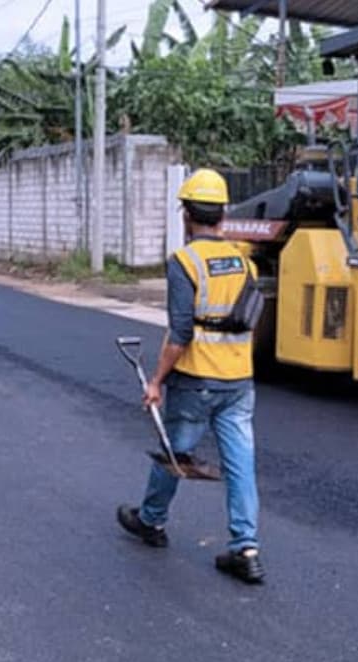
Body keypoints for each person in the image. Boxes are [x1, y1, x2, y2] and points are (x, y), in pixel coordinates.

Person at [116, 169, 264, 584]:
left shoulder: (184, 262)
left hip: (197, 379)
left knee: (174, 452)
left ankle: (152, 520)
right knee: (240, 465)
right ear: (222, 213)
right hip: (239, 381)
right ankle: (246, 549)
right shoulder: (243, 260)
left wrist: (156, 380)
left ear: (186, 215)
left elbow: (180, 332)